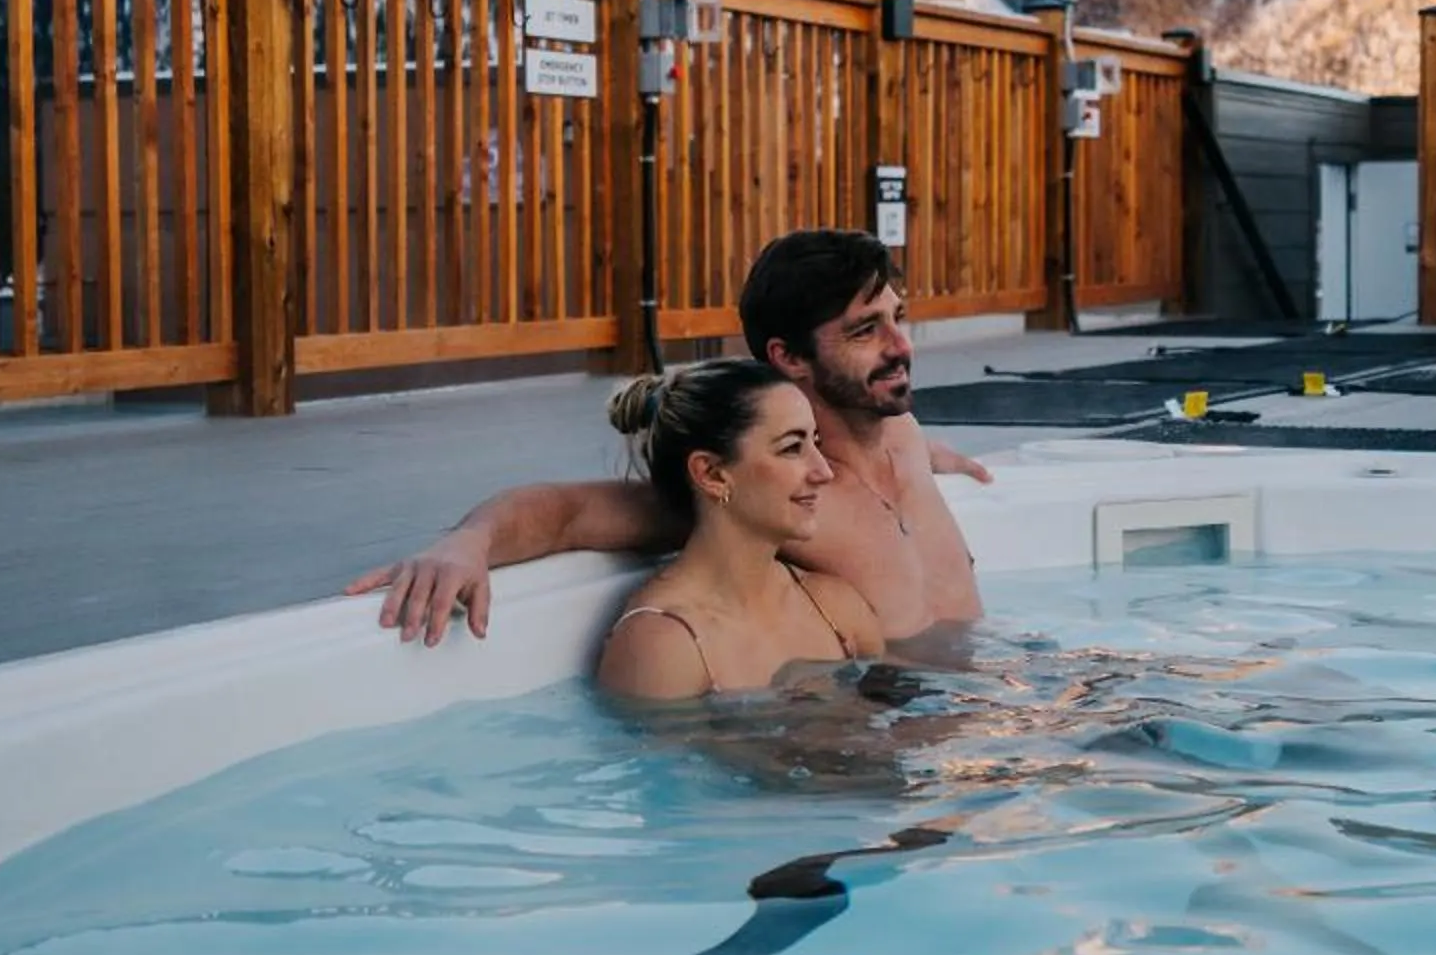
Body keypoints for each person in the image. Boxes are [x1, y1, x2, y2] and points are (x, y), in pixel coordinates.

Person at [350, 228, 993, 648]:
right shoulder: (772, 491)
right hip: (904, 740)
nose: (900, 347)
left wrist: (934, 458)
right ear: (789, 358)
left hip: (1001, 692)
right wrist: (468, 541)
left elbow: (888, 472)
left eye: (898, 319)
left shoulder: (901, 432)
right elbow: (567, 514)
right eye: (865, 331)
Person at [593, 360, 884, 698]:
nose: (823, 471)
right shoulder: (663, 645)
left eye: (815, 442)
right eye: (792, 448)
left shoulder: (835, 606)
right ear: (712, 474)